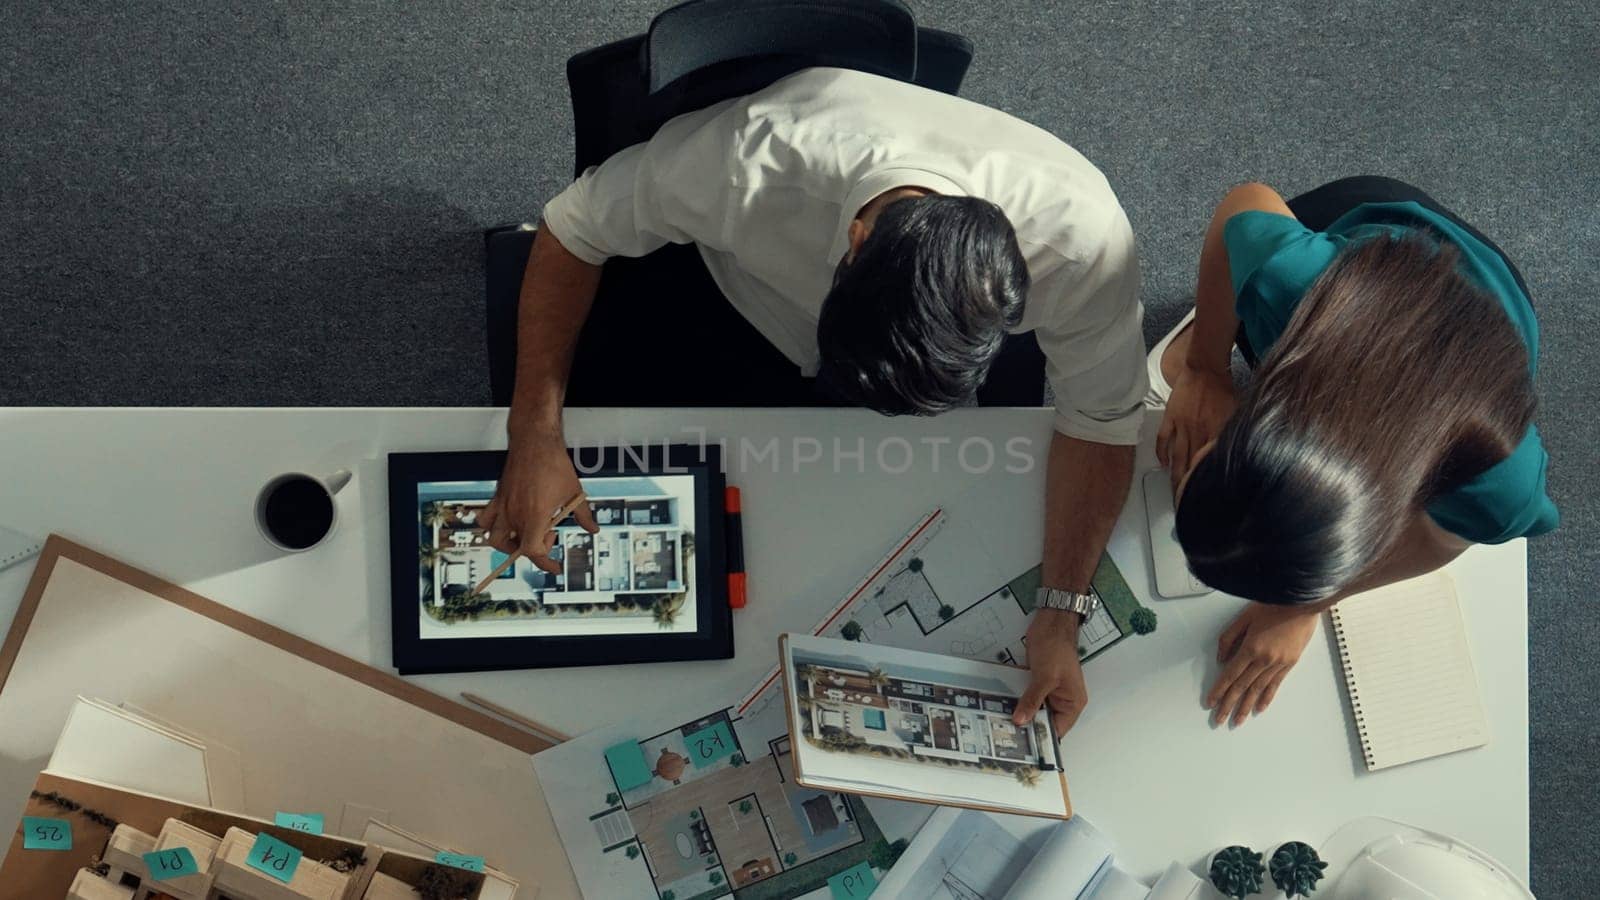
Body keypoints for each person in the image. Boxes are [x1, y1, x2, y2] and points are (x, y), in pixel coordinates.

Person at [480, 67, 1150, 736]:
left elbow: (1101, 422)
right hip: (738, 304)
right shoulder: (752, 163)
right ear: (855, 243)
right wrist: (534, 435)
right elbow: (574, 227)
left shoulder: (1086, 246)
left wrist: (1061, 613)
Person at [1150, 177, 1558, 727]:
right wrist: (1205, 368)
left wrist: (1304, 606)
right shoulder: (1293, 278)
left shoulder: (1500, 488)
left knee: (1253, 318)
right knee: (1247, 307)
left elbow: (1443, 542)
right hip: (1374, 261)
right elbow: (1241, 208)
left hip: (1469, 323)